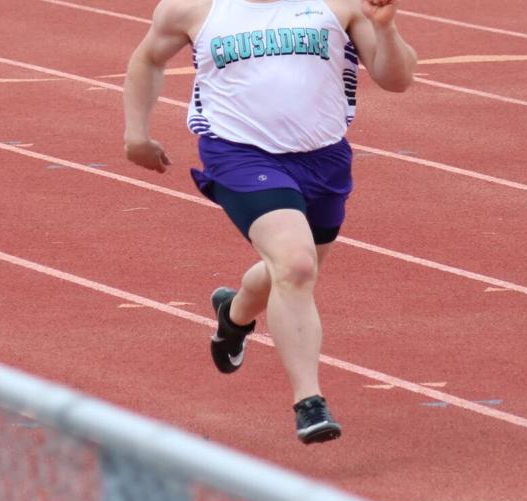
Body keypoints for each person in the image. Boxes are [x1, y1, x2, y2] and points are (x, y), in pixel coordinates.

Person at [123, 0, 416, 444]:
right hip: (238, 154)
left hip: (324, 159)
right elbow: (148, 58)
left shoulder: (340, 5)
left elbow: (397, 79)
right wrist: (136, 133)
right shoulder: (193, 8)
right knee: (296, 265)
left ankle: (234, 314)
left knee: (293, 269)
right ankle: (309, 401)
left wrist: (386, 27)